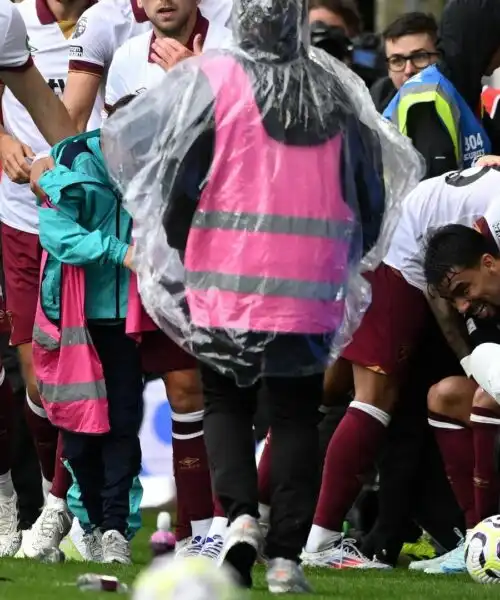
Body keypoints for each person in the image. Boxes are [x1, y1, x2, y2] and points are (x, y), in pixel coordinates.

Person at [102, 0, 421, 590]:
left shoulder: (216, 80)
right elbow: (371, 197)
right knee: (296, 414)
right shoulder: (337, 93)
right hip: (311, 286)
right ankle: (284, 558)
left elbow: (177, 180)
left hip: (224, 282)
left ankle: (240, 516)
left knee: (225, 402)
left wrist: (181, 248)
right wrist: (347, 258)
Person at [301, 165, 500, 569]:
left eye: (466, 293)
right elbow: (445, 298)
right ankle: (319, 540)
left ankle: (260, 522)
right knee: (377, 397)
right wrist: (472, 360)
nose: (466, 306)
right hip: (395, 257)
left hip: (383, 250)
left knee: (340, 394)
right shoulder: (481, 238)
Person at [104, 0, 231, 561]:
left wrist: (198, 85)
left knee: (235, 388)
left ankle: (239, 520)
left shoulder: (230, 48)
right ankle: (199, 528)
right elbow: (117, 151)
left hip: (230, 240)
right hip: (160, 244)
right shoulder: (128, 57)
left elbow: (254, 145)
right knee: (182, 387)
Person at [0, 0, 105, 561]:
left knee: (52, 378)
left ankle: (56, 509)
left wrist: (80, 177)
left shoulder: (5, 23)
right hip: (12, 219)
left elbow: (50, 113)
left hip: (51, 218)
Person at [33, 95, 143, 565]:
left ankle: (115, 529)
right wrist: (121, 252)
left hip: (129, 318)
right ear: (109, 118)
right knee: (76, 431)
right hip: (72, 317)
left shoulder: (162, 165)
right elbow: (56, 235)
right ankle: (94, 522)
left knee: (122, 424)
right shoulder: (72, 156)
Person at [63, 0, 233, 132]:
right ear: (138, 1)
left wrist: (200, 86)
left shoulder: (233, 51)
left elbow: (246, 138)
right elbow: (114, 147)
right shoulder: (125, 56)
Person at [384, 0, 500, 178]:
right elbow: (435, 194)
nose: (408, 70)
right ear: (485, 41)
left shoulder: (465, 90)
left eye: (419, 56)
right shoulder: (428, 98)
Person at [370, 12, 439, 113]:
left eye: (419, 57)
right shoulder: (379, 97)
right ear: (388, 69)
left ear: (439, 58)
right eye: (397, 60)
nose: (408, 70)